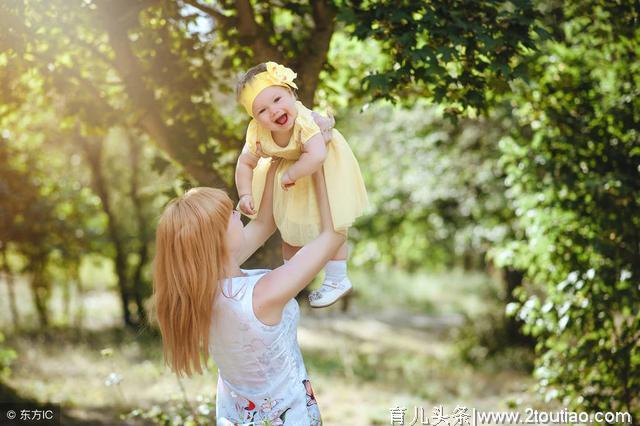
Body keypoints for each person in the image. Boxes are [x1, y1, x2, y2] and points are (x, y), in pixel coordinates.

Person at [153, 161, 344, 425]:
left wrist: (278, 164)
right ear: (218, 239)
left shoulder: (201, 289)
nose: (238, 215)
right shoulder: (262, 296)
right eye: (230, 214)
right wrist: (320, 164)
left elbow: (265, 221)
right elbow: (334, 233)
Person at [235, 61, 368, 308]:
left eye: (277, 99)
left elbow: (316, 155)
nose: (273, 111)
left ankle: (338, 279)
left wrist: (292, 174)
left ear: (291, 94)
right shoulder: (256, 133)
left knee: (334, 223)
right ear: (255, 119)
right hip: (291, 173)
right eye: (262, 110)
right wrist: (244, 193)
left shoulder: (306, 121)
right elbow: (245, 163)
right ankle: (290, 279)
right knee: (290, 229)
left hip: (322, 163)